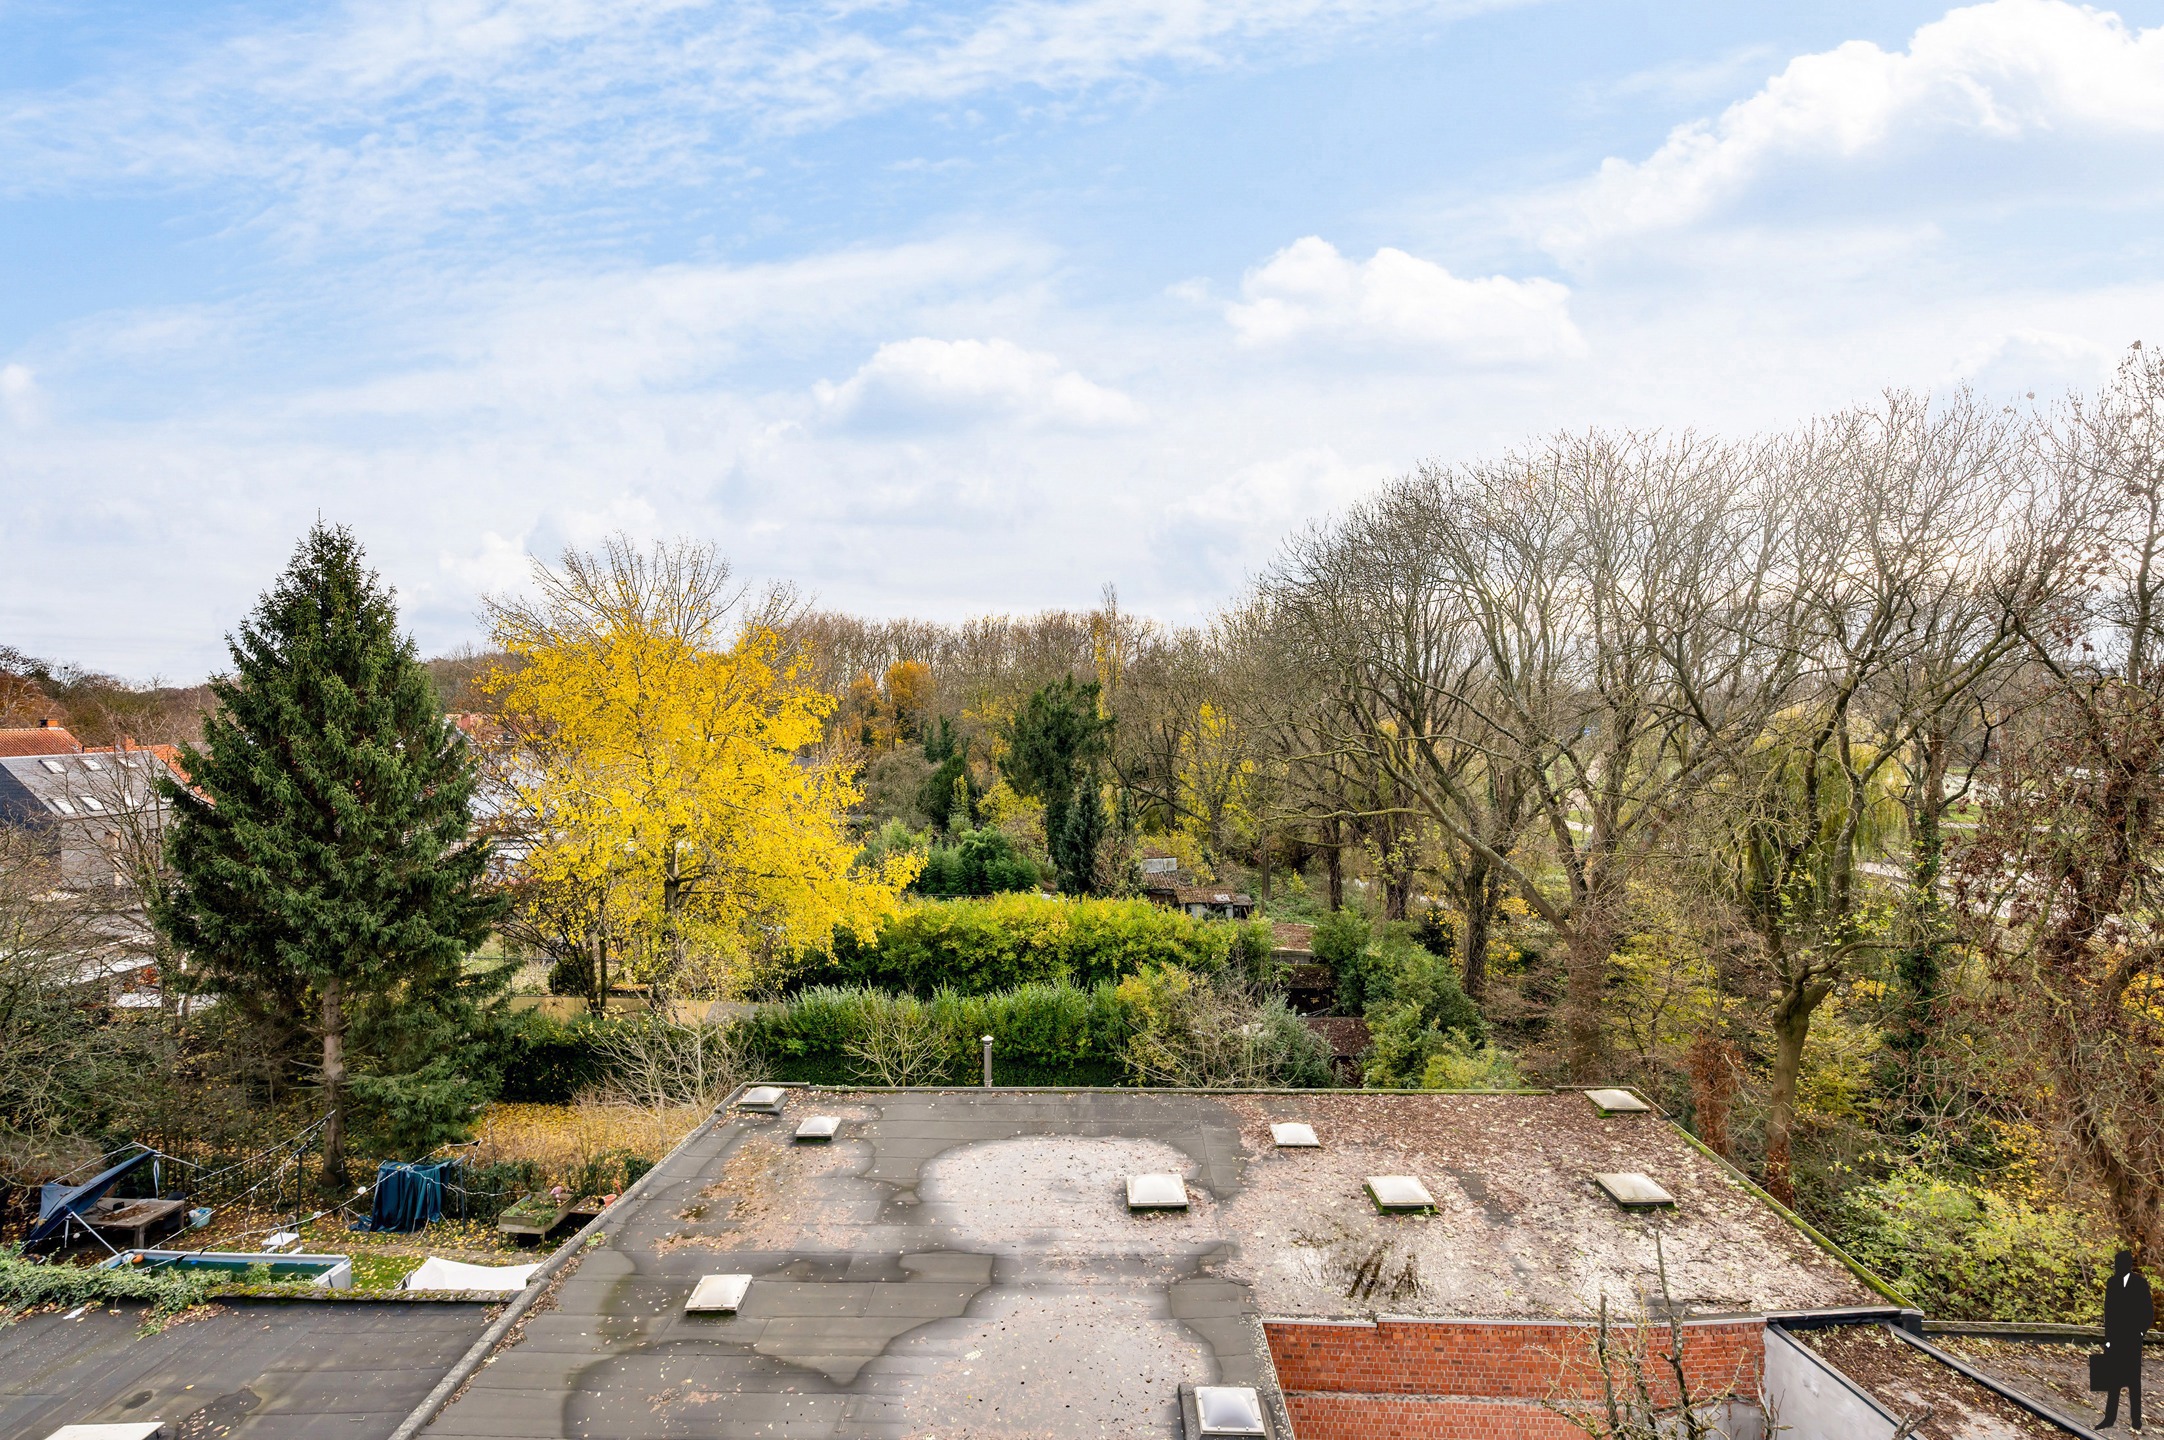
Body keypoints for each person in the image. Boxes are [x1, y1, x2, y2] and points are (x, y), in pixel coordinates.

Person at [2103, 1250, 2152, 1430]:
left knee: (2133, 1380)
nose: (2118, 1267)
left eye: (2121, 1264)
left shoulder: (2140, 1283)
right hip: (2115, 1338)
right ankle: (2109, 1418)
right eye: (2116, 1264)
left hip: (2132, 1338)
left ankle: (2136, 1419)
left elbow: (2148, 1311)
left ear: (2128, 1265)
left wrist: (2140, 1332)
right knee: (2113, 1379)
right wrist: (2108, 1339)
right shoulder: (2112, 1282)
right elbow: (2109, 1312)